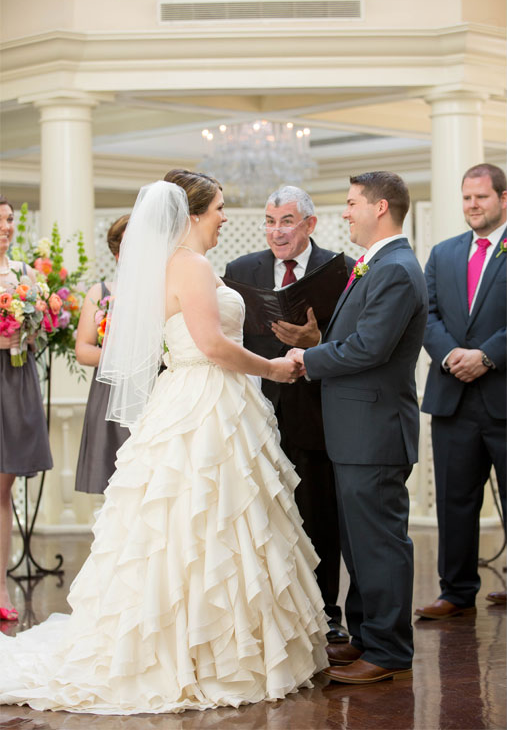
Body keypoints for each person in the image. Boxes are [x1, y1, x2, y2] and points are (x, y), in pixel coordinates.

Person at [0, 175, 328, 714]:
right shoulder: (190, 266)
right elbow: (213, 345)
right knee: (208, 516)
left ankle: (205, 641)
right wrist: (274, 367)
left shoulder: (174, 265)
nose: (226, 217)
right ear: (195, 211)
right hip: (204, 399)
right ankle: (207, 651)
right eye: (221, 208)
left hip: (201, 396)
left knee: (204, 519)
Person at [287, 171, 427, 685]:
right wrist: (319, 341)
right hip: (356, 429)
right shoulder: (378, 264)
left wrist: (308, 357)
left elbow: (370, 347)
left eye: (350, 204)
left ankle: (389, 650)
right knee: (360, 542)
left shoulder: (394, 268)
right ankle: (367, 636)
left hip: (374, 430)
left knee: (381, 543)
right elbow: (359, 336)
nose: (345, 212)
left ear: (380, 207)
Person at [224, 186, 350, 645]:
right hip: (256, 408)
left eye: (287, 221)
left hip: (315, 409)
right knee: (261, 517)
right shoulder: (241, 270)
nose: (277, 231)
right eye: (270, 221)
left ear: (310, 225)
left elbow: (352, 343)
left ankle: (326, 613)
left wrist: (317, 341)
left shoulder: (341, 269)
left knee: (318, 516)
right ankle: (271, 618)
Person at [415, 163, 507, 620]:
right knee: (454, 499)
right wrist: (452, 354)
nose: (473, 205)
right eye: (467, 198)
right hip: (452, 395)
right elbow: (427, 315)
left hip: (504, 394)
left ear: (503, 199)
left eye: (482, 197)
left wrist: (486, 356)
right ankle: (455, 591)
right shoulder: (443, 253)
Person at [0, 195, 54, 623]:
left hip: (15, 379)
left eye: (9, 220)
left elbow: (41, 332)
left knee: (3, 489)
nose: (5, 227)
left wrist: (28, 332)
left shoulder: (25, 275)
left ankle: (0, 585)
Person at [73, 214, 131, 495]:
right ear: (118, 254)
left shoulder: (165, 290)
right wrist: (124, 356)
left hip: (156, 392)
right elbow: (83, 350)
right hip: (110, 393)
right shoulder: (102, 292)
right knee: (115, 488)